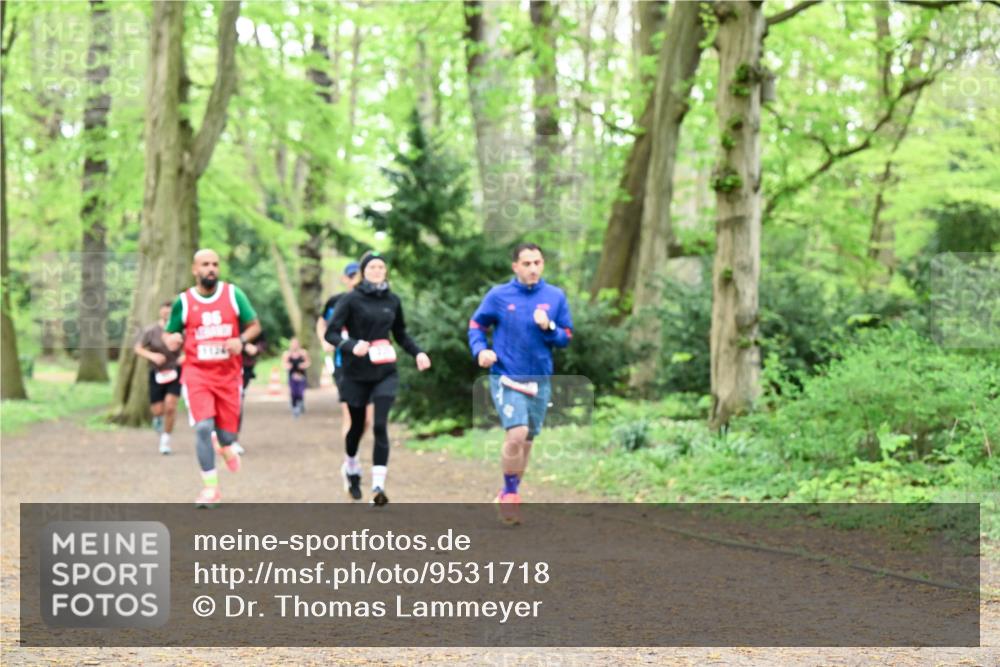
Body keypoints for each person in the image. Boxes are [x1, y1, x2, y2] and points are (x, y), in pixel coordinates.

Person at [468, 242, 573, 524]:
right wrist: (481, 351)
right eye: (527, 264)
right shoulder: (499, 296)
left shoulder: (555, 296)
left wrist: (548, 327)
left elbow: (566, 337)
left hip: (540, 379)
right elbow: (477, 325)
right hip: (506, 376)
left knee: (526, 441)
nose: (533, 268)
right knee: (516, 433)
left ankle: (506, 492)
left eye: (537, 263)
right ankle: (512, 496)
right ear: (515, 266)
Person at [324, 251, 431, 505]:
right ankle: (351, 468)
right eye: (371, 267)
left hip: (385, 371)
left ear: (385, 272)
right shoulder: (350, 299)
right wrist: (351, 346)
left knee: (380, 425)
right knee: (357, 427)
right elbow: (331, 334)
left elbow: (401, 334)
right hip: (355, 373)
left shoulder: (392, 301)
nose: (376, 271)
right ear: (363, 272)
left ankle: (378, 488)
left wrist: (418, 353)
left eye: (381, 267)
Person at [164, 249, 261, 508]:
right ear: (195, 269)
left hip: (229, 375)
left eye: (215, 264)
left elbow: (254, 326)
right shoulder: (183, 302)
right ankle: (210, 488)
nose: (211, 269)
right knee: (204, 428)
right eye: (205, 264)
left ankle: (226, 446)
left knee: (227, 436)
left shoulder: (233, 294)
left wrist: (239, 340)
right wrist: (171, 339)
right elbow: (170, 332)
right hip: (197, 373)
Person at [317, 262, 373, 440]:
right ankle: (351, 460)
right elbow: (322, 322)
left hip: (369, 364)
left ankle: (352, 450)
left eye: (359, 276)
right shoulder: (335, 301)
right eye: (351, 276)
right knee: (349, 416)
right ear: (344, 279)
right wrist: (324, 341)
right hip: (344, 363)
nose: (355, 280)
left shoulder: (373, 301)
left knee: (366, 420)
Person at [133, 300, 182, 455]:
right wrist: (153, 356)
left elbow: (190, 348)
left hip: (175, 372)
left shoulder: (181, 330)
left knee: (170, 406)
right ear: (160, 311)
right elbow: (138, 348)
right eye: (164, 310)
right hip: (156, 373)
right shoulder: (151, 330)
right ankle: (157, 419)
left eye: (170, 310)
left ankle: (166, 440)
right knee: (158, 409)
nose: (167, 313)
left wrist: (184, 358)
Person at [282, 337, 311, 417]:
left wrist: (303, 365)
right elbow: (284, 364)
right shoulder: (287, 354)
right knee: (293, 393)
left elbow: (308, 362)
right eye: (293, 343)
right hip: (292, 376)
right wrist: (288, 366)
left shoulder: (303, 353)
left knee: (300, 392)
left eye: (296, 343)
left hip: (301, 376)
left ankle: (300, 404)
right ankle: (295, 408)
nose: (294, 345)